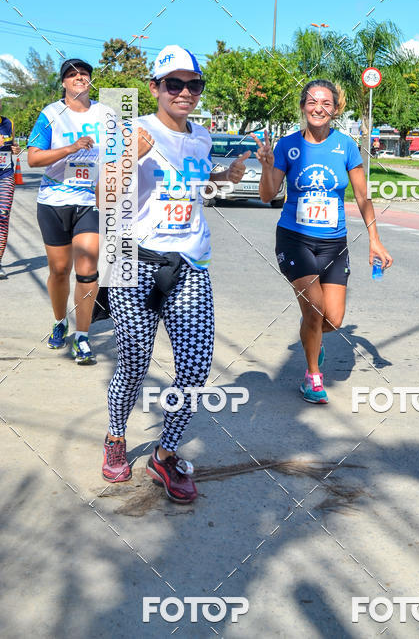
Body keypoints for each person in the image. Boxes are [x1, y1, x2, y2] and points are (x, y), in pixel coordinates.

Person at [100, 45, 250, 505]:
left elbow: (195, 184)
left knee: (194, 368)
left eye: (193, 84)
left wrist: (226, 175)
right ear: (155, 88)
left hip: (189, 263)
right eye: (174, 84)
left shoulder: (202, 137)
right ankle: (115, 437)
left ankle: (164, 456)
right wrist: (128, 160)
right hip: (135, 263)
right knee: (133, 361)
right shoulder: (133, 131)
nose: (185, 92)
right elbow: (104, 197)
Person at [254, 79, 393, 404]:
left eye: (327, 103)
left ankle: (314, 335)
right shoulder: (288, 146)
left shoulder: (345, 145)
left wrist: (375, 240)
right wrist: (266, 166)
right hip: (294, 239)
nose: (319, 108)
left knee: (332, 319)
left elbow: (362, 196)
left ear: (335, 109)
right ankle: (312, 376)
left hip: (334, 243)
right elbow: (266, 195)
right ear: (304, 106)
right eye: (313, 101)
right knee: (314, 308)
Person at [28, 59, 111, 362]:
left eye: (84, 74)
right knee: (59, 271)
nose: (79, 77)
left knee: (87, 269)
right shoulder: (51, 114)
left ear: (90, 81)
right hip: (53, 201)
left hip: (90, 201)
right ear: (63, 83)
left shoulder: (106, 113)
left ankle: (83, 336)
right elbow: (33, 159)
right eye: (72, 74)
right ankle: (60, 321)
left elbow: (122, 151)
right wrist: (71, 148)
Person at [0, 103, 20, 279]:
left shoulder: (8, 123)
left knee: (3, 215)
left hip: (5, 174)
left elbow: (12, 146)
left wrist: (15, 148)